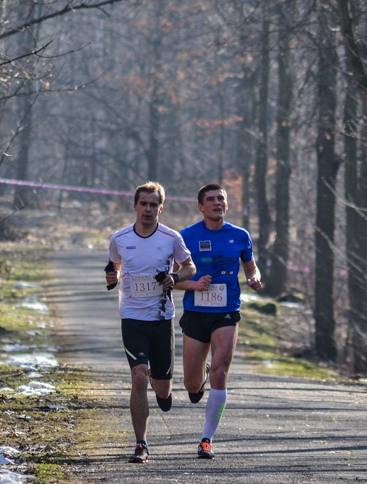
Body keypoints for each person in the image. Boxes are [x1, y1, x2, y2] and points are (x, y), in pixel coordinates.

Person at [106, 182, 195, 463]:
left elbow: (190, 267)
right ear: (135, 206)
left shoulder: (171, 237)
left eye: (153, 204)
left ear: (160, 208)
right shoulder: (119, 238)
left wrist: (175, 277)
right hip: (132, 318)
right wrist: (112, 276)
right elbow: (114, 265)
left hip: (161, 319)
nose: (147, 209)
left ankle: (162, 386)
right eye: (143, 204)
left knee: (162, 391)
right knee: (138, 376)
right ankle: (141, 444)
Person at [174, 183, 261, 459]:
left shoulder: (240, 235)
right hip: (196, 312)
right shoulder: (186, 236)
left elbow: (251, 267)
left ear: (227, 204)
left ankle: (206, 439)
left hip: (227, 310)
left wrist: (253, 278)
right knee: (191, 385)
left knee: (221, 373)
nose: (216, 203)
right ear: (201, 207)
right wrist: (193, 284)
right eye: (210, 199)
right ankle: (201, 376)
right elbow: (171, 280)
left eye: (220, 198)